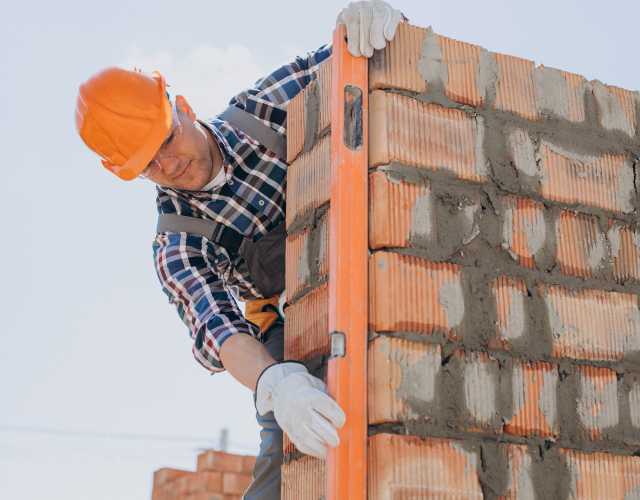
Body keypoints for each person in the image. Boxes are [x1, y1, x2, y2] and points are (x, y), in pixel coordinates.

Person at [74, 2, 402, 498]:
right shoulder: (178, 242)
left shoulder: (264, 110)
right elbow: (222, 333)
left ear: (180, 106)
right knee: (282, 457)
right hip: (285, 329)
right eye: (147, 164)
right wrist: (278, 385)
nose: (169, 164)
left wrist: (370, 23)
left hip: (364, 265)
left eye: (166, 138)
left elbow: (350, 54)